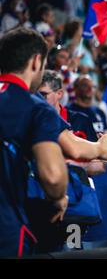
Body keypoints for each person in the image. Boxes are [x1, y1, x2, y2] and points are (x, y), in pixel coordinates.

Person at [0, 27, 68, 257]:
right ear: (36, 61)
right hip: (6, 228)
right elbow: (53, 177)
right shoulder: (37, 108)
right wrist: (59, 196)